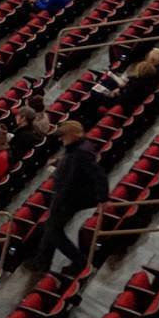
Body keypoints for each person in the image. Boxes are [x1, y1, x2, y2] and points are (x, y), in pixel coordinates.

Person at [38, 118, 111, 277]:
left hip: (70, 198)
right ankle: (42, 262)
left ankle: (80, 262)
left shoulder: (81, 152)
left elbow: (99, 175)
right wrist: (59, 163)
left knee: (53, 231)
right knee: (51, 228)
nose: (60, 138)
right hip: (64, 195)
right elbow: (73, 166)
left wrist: (102, 198)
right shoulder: (76, 148)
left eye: (63, 135)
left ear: (73, 135)